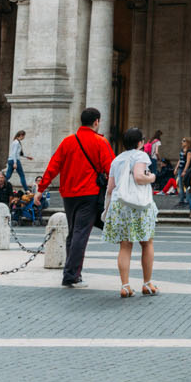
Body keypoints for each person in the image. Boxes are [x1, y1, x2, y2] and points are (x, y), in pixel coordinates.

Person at [38, 107, 116, 288]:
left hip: (69, 194)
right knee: (80, 233)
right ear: (96, 121)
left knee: (73, 232)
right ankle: (71, 275)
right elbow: (111, 168)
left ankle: (72, 272)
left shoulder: (68, 141)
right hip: (89, 194)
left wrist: (41, 189)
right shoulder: (100, 142)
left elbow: (53, 166)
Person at [105, 127, 160, 298]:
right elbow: (139, 177)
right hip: (138, 205)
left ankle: (125, 285)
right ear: (140, 143)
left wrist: (106, 208)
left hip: (119, 204)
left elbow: (110, 188)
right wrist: (152, 177)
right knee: (147, 242)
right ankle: (147, 283)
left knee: (125, 245)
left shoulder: (117, 159)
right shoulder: (140, 155)